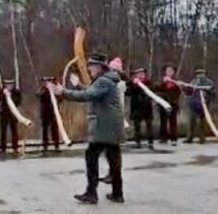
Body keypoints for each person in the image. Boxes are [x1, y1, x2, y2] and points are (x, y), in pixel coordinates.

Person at [52, 53, 124, 204]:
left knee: (92, 157)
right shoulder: (107, 80)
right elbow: (92, 92)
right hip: (111, 126)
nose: (89, 68)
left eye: (92, 65)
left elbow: (88, 95)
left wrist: (63, 92)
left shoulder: (104, 81)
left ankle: (92, 193)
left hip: (104, 126)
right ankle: (117, 193)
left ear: (99, 67)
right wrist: (78, 85)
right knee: (114, 160)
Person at [183, 68, 215, 144]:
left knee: (203, 122)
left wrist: (208, 98)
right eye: (198, 74)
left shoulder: (209, 83)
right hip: (194, 104)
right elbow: (188, 92)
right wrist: (186, 89)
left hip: (204, 104)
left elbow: (213, 93)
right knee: (192, 121)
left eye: (202, 74)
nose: (200, 76)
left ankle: (202, 137)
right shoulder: (193, 82)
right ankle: (189, 137)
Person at [127, 68, 154, 149]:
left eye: (142, 74)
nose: (141, 75)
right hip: (136, 107)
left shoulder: (148, 83)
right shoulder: (132, 83)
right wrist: (132, 83)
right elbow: (128, 92)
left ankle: (150, 142)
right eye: (139, 74)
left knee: (149, 125)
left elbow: (151, 91)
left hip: (147, 107)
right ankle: (138, 142)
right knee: (137, 126)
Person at [155, 63, 181, 145]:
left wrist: (177, 85)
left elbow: (180, 92)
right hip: (163, 104)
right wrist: (162, 82)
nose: (169, 72)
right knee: (163, 122)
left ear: (173, 72)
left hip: (173, 104)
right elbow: (156, 88)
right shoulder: (162, 81)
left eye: (171, 71)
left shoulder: (176, 82)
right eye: (168, 70)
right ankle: (163, 138)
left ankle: (173, 138)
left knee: (173, 122)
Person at [0, 78, 21, 155]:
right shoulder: (1, 91)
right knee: (3, 131)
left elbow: (18, 102)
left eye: (10, 85)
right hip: (4, 113)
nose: (9, 86)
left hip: (13, 113)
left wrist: (10, 97)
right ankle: (3, 148)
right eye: (7, 85)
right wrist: (2, 94)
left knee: (14, 131)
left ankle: (15, 148)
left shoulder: (16, 92)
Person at [37, 77, 60, 152]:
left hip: (53, 112)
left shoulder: (55, 89)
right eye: (46, 81)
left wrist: (54, 89)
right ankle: (45, 146)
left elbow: (60, 98)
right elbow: (39, 95)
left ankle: (56, 145)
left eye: (49, 81)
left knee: (55, 130)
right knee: (45, 130)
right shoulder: (42, 89)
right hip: (45, 113)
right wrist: (46, 89)